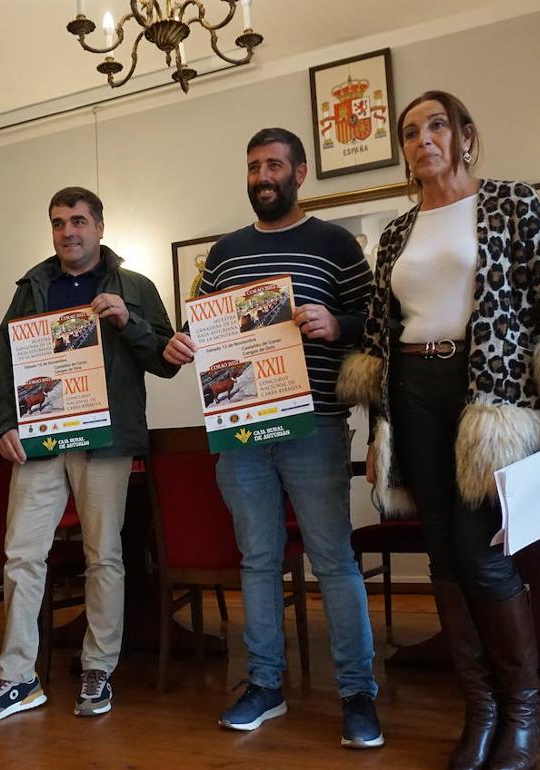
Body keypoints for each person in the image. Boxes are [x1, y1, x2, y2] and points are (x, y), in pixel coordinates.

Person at [336, 90, 540, 770]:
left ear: (465, 135)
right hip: (412, 394)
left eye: (438, 125)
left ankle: (522, 712)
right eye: (412, 131)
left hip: (489, 401)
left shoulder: (514, 203)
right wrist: (375, 437)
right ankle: (478, 712)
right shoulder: (394, 233)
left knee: (483, 555)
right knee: (443, 558)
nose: (425, 139)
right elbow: (376, 338)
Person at [163, 128, 383, 748]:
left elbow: (377, 326)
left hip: (315, 423)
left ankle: (357, 692)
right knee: (257, 561)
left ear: (301, 173)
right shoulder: (227, 252)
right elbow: (199, 327)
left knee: (334, 560)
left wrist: (337, 321)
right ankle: (263, 685)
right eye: (254, 166)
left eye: (275, 165)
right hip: (241, 430)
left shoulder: (336, 243)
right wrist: (181, 342)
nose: (263, 176)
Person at [0, 186, 178, 722]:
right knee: (20, 554)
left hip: (105, 439)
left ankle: (98, 668)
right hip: (39, 439)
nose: (68, 232)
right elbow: (8, 358)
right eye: (58, 223)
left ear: (100, 227)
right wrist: (4, 422)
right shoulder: (31, 287)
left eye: (78, 221)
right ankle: (18, 677)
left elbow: (167, 359)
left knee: (103, 555)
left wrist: (129, 320)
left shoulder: (134, 285)